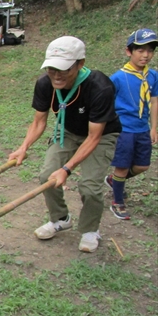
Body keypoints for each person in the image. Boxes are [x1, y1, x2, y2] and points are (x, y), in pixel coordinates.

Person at [9, 36, 121, 252]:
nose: (56, 75)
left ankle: (89, 230)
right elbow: (39, 121)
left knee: (89, 186)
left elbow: (94, 137)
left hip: (101, 136)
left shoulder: (99, 87)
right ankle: (60, 219)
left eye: (63, 69)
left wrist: (67, 169)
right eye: (51, 68)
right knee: (47, 177)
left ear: (80, 64)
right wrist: (23, 147)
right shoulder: (45, 83)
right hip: (67, 131)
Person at [104, 28, 158, 219]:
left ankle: (113, 180)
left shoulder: (152, 76)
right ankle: (117, 202)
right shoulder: (117, 78)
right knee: (122, 166)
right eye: (141, 50)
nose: (146, 55)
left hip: (143, 128)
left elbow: (154, 101)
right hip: (124, 129)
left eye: (150, 50)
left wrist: (154, 128)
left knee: (143, 165)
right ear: (129, 51)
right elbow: (107, 104)